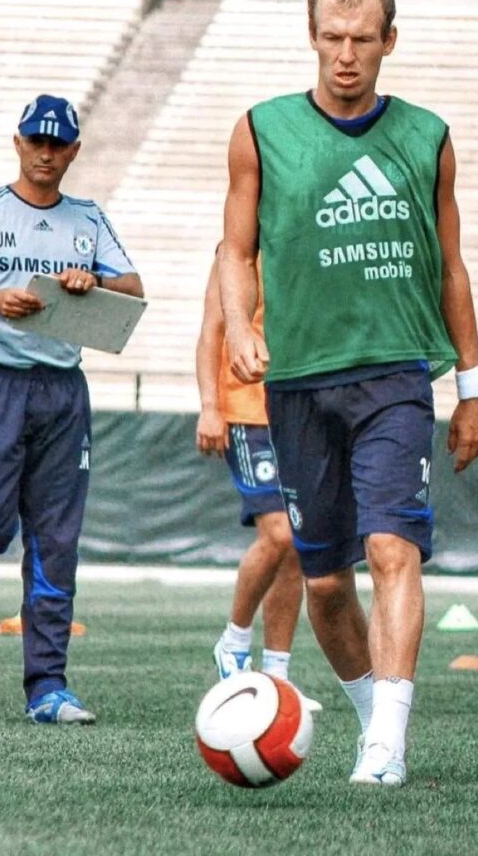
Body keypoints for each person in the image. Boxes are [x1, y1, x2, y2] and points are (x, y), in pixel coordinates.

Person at [219, 0, 478, 787]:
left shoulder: (425, 137)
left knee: (390, 547)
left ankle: (386, 746)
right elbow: (234, 250)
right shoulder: (259, 130)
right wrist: (236, 325)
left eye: (362, 40)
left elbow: (451, 266)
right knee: (327, 582)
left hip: (394, 376)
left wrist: (472, 386)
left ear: (388, 43)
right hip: (295, 381)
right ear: (311, 38)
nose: (346, 55)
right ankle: (374, 718)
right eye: (332, 39)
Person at [0, 94, 143, 724]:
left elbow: (133, 290)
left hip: (63, 392)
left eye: (58, 143)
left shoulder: (89, 219)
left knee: (55, 541)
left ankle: (47, 687)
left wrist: (89, 282)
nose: (46, 152)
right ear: (17, 143)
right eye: (36, 140)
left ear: (73, 151)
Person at [196, 248, 307, 689]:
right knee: (278, 532)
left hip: (299, 408)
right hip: (247, 409)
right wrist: (209, 406)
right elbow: (213, 330)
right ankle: (235, 640)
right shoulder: (234, 250)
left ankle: (277, 674)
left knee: (298, 544)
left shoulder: (306, 236)